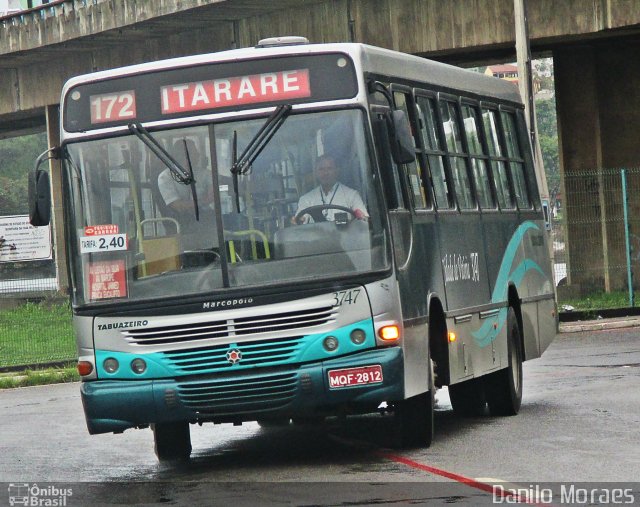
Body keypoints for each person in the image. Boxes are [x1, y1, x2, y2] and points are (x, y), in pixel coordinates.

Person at [294, 155, 368, 224]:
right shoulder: (306, 199)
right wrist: (298, 219)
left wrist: (356, 217)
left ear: (337, 171)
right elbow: (299, 220)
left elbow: (363, 219)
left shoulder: (352, 195)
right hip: (316, 237)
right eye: (321, 169)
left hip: (345, 237)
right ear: (316, 173)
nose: (325, 173)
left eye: (329, 168)